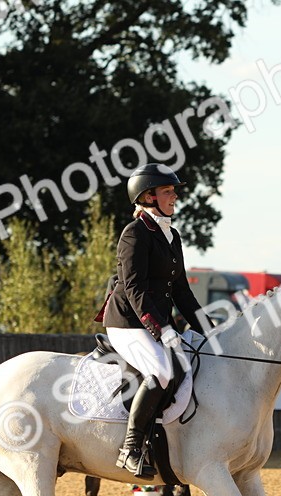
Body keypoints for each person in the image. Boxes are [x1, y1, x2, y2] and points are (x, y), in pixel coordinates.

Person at [94, 163, 206, 478]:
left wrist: (207, 329)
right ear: (148, 196)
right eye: (168, 191)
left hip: (154, 324)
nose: (175, 197)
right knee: (161, 370)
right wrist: (164, 329)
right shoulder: (135, 234)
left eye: (173, 191)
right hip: (127, 323)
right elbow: (134, 289)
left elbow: (182, 291)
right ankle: (130, 449)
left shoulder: (172, 235)